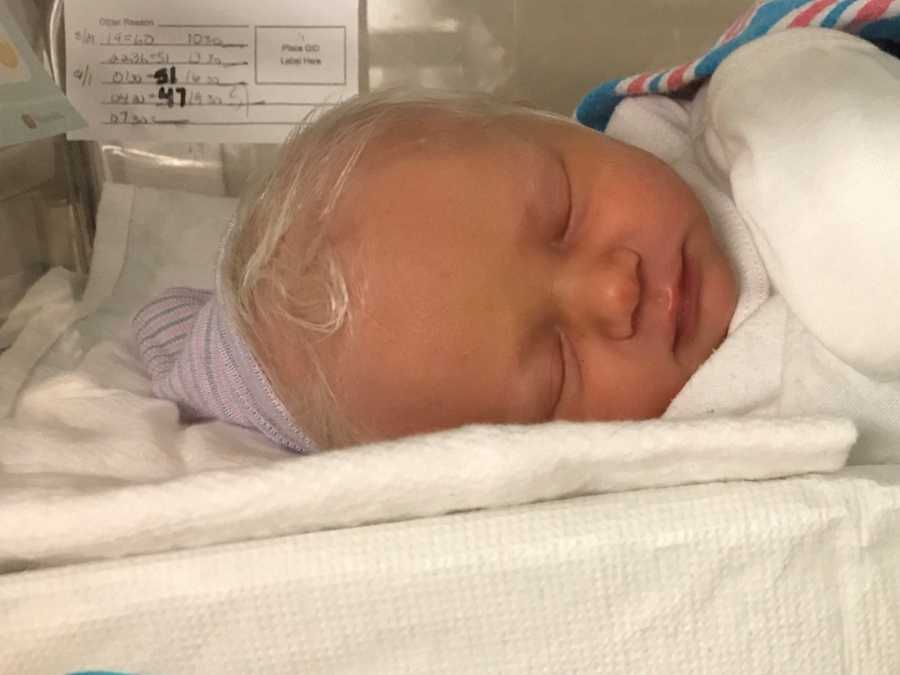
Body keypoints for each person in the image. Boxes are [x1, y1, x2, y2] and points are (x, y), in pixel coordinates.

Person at [133, 27, 900, 461]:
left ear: (548, 122)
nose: (615, 291)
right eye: (556, 371)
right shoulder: (718, 433)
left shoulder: (717, 117)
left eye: (564, 214)